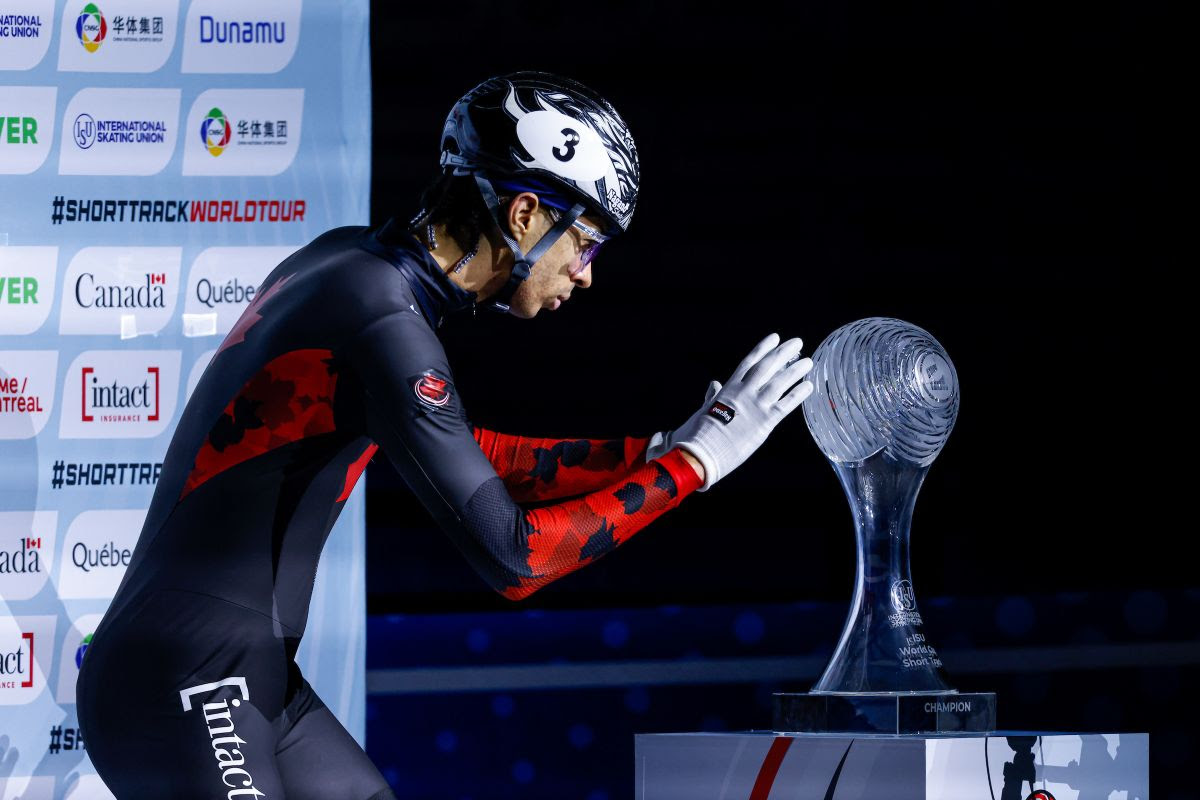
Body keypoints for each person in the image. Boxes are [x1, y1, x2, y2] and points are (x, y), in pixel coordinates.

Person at [76, 72, 815, 799]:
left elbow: (464, 453)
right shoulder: (382, 316)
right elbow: (515, 557)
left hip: (241, 678)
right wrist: (696, 465)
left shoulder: (355, 267)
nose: (585, 276)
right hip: (183, 682)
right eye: (586, 243)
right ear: (524, 214)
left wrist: (648, 453)